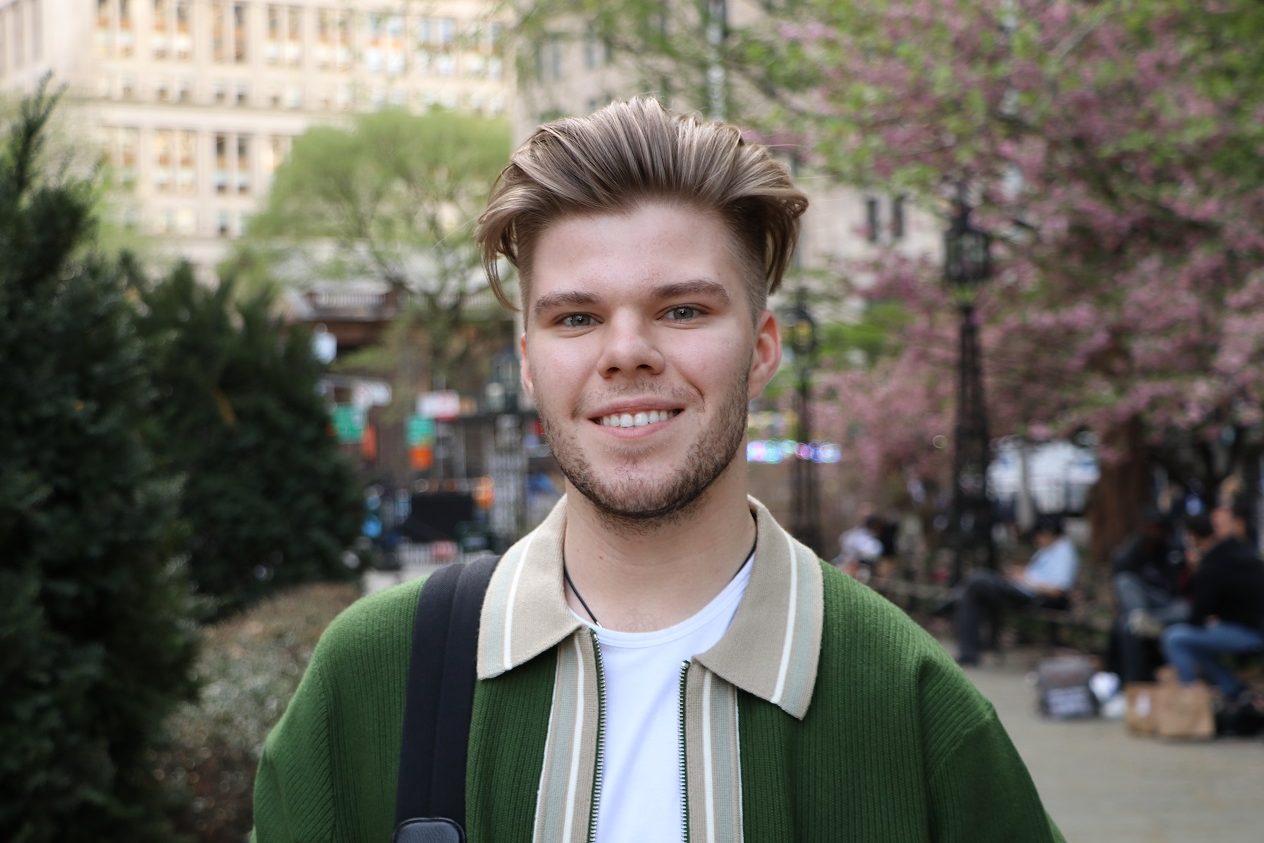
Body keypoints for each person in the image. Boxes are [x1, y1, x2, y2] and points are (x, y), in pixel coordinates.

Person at [251, 98, 1063, 842]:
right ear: (530, 364)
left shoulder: (910, 703)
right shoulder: (373, 677)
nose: (627, 352)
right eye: (577, 317)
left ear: (763, 348)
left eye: (683, 310)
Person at [1160, 497, 1264, 708]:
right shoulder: (1242, 553)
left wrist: (1194, 570)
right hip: (1248, 626)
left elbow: (1199, 612)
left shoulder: (1215, 562)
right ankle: (1232, 689)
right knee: (1196, 645)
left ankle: (1191, 701)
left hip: (1249, 632)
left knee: (1175, 638)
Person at [945, 514, 1079, 666]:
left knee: (978, 579)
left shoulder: (1063, 552)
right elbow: (1038, 574)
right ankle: (969, 649)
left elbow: (1058, 590)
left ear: (1048, 534)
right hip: (1022, 591)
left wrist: (1027, 581)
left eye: (1038, 535)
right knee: (972, 593)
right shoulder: (1049, 549)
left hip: (1036, 599)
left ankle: (949, 606)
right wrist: (1020, 574)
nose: (1036, 540)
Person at [1110, 510, 1191, 683]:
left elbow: (1180, 591)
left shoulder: (1173, 550)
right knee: (1125, 590)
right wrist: (1135, 546)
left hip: (1169, 606)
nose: (1153, 532)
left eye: (1156, 528)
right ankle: (1132, 684)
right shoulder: (1135, 548)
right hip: (1143, 605)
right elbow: (1122, 575)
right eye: (1149, 528)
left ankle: (1141, 620)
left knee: (1185, 609)